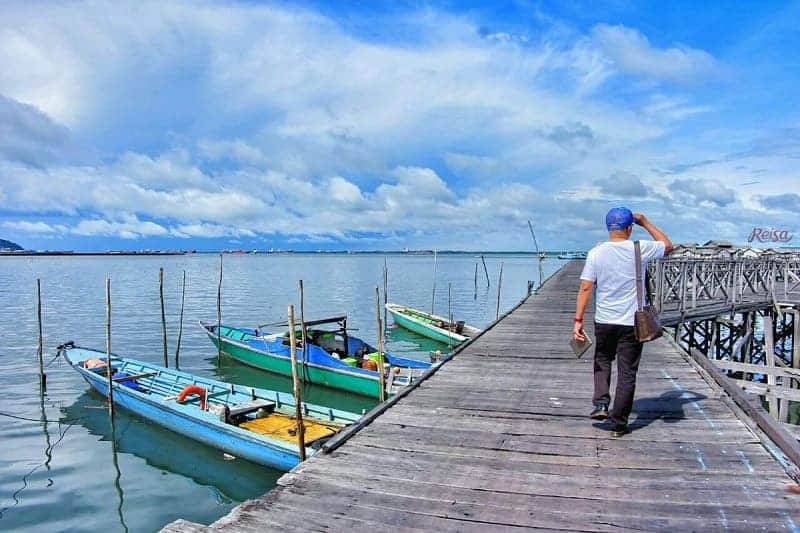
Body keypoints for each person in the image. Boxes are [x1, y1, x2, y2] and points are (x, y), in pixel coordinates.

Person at [572, 207, 672, 437]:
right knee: (627, 372)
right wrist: (646, 222)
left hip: (604, 320)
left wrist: (578, 321)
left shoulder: (596, 252)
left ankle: (600, 404)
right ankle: (619, 425)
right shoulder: (641, 248)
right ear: (629, 228)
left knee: (602, 359)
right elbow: (667, 245)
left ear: (609, 228)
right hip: (632, 321)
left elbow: (586, 287)